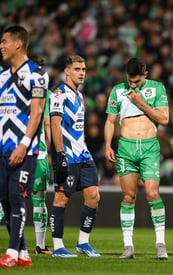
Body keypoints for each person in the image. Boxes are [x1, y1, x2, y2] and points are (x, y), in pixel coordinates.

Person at [104, 57, 169, 260]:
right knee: (128, 197)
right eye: (130, 81)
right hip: (126, 148)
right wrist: (107, 145)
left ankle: (160, 243)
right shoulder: (117, 91)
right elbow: (110, 121)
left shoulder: (157, 88)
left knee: (152, 193)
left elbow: (164, 119)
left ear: (145, 75)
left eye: (137, 82)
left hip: (149, 147)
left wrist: (141, 103)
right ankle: (128, 245)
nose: (132, 85)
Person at [0, 25, 49, 268]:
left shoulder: (37, 74)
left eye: (4, 41)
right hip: (2, 149)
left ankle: (10, 252)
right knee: (5, 201)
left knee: (17, 197)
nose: (1, 46)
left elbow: (37, 112)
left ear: (18, 43)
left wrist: (24, 144)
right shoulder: (1, 76)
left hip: (24, 149)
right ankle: (23, 253)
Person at [49, 55, 100, 258]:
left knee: (94, 197)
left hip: (83, 154)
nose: (82, 73)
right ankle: (58, 246)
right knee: (61, 199)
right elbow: (55, 124)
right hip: (67, 155)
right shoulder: (59, 93)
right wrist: (60, 154)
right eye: (77, 69)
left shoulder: (79, 95)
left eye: (84, 69)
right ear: (67, 71)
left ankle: (83, 243)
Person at [28, 55, 52, 255]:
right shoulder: (46, 93)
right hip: (35, 151)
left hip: (30, 151)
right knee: (38, 199)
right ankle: (39, 245)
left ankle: (39, 245)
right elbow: (46, 123)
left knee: (9, 198)